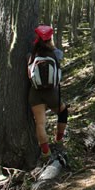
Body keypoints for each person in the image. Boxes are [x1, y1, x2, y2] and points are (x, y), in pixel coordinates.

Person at [27, 25, 68, 164]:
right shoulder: (55, 53)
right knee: (63, 112)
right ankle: (59, 139)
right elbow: (60, 57)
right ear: (50, 38)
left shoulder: (31, 55)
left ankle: (46, 151)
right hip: (51, 93)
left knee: (40, 123)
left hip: (35, 93)